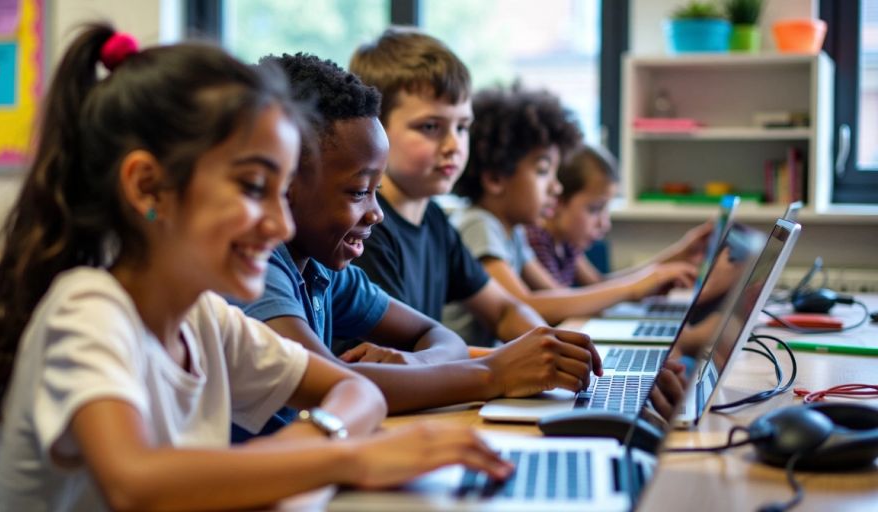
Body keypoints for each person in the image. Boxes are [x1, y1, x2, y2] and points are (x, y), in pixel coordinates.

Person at [0, 25, 514, 511]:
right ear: (148, 187)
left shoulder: (205, 321)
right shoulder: (88, 312)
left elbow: (357, 392)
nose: (278, 223)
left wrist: (325, 443)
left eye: (282, 192)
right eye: (253, 188)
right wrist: (345, 457)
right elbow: (138, 483)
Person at [233, 53, 602, 440]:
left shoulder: (322, 272)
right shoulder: (259, 270)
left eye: (376, 191)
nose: (376, 212)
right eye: (359, 192)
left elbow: (442, 337)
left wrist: (417, 363)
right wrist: (493, 375)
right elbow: (330, 381)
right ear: (284, 183)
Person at [348, 27, 552, 345]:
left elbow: (503, 311)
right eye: (430, 127)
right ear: (375, 128)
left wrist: (555, 346)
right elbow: (402, 362)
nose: (454, 144)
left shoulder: (434, 219)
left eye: (462, 126)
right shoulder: (366, 230)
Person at [447, 89, 700, 331]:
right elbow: (522, 307)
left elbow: (559, 297)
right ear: (495, 179)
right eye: (543, 171)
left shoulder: (512, 233)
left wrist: (650, 278)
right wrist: (632, 289)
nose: (556, 188)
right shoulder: (478, 225)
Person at [526, 144, 711, 299]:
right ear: (558, 200)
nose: (604, 224)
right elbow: (563, 301)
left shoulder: (567, 243)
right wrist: (644, 284)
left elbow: (598, 285)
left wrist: (679, 255)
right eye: (595, 209)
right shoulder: (535, 240)